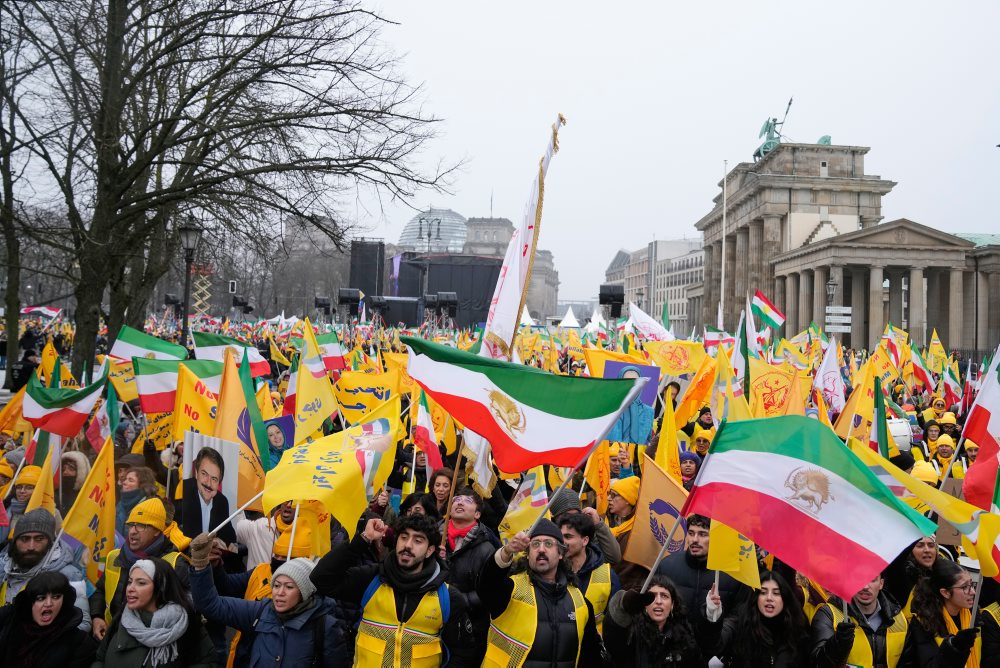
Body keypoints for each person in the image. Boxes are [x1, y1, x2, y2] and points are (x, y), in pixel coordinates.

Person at [310, 513, 466, 666]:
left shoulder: (447, 597)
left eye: (418, 541)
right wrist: (363, 539)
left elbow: (462, 653)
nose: (408, 545)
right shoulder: (372, 579)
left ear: (430, 550)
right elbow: (321, 579)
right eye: (403, 538)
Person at [188, 535, 348, 667]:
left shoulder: (324, 626)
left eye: (289, 587)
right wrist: (200, 565)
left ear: (304, 591)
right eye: (276, 585)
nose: (280, 593)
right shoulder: (260, 611)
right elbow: (210, 605)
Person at [477, 519, 605, 668]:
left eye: (549, 544)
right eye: (535, 544)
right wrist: (506, 552)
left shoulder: (580, 603)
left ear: (561, 554)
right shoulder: (510, 590)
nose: (541, 549)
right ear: (527, 554)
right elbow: (486, 584)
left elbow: (591, 657)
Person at [89, 498, 190, 637]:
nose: (133, 531)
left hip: (152, 643)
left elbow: (186, 611)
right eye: (131, 525)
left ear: (157, 530)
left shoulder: (175, 564)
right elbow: (101, 591)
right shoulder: (114, 556)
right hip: (111, 636)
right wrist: (97, 616)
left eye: (141, 525)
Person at [92, 557, 214, 667]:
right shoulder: (121, 618)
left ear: (160, 587)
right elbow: (99, 659)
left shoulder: (185, 623)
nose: (130, 588)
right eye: (130, 582)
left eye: (141, 583)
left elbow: (207, 662)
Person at [655, 514, 750, 650]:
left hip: (713, 650)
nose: (694, 539)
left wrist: (719, 641)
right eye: (691, 533)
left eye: (703, 534)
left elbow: (737, 615)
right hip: (673, 649)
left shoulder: (733, 573)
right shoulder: (667, 566)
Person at [0, 508, 92, 631]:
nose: (31, 546)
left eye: (39, 539)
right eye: (25, 539)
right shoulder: (3, 567)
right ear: (15, 541)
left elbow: (82, 624)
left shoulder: (68, 574)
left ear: (50, 542)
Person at [442, 487, 501, 667]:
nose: (459, 502)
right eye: (456, 499)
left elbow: (490, 591)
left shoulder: (487, 549)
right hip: (432, 623)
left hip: (469, 630)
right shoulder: (433, 538)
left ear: (477, 514)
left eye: (467, 501)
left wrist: (460, 602)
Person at [810, 571, 909, 668]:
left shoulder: (898, 618)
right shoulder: (830, 614)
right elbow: (818, 663)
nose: (865, 587)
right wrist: (838, 643)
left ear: (881, 583)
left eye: (872, 579)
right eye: (858, 579)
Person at [0, 571, 98, 667]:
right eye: (41, 598)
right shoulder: (8, 623)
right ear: (29, 602)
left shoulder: (79, 643)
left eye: (56, 597)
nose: (48, 604)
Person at [603, 575, 705, 667]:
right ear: (644, 604)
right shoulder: (631, 633)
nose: (658, 601)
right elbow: (612, 636)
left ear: (673, 604)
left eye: (664, 596)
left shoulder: (684, 637)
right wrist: (622, 605)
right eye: (653, 596)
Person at [715, 570, 809, 667]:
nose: (769, 598)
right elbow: (715, 643)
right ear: (756, 597)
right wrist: (712, 615)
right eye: (763, 592)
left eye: (776, 593)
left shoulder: (797, 632)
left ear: (784, 598)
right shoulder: (741, 623)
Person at [904, 558, 981, 666]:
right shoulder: (923, 623)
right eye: (964, 587)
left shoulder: (974, 614)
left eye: (971, 584)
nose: (972, 592)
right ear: (945, 593)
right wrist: (955, 647)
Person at [558, 511, 621, 634]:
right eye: (560, 537)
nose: (562, 542)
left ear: (585, 540)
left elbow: (616, 622)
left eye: (568, 537)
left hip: (593, 647)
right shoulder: (552, 570)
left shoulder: (608, 576)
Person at [178, 447, 236, 548]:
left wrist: (226, 544)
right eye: (204, 474)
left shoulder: (221, 501)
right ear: (196, 473)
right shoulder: (183, 494)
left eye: (214, 479)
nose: (208, 483)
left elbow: (229, 537)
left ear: (219, 483)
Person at [548, 487, 622, 565]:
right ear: (554, 517)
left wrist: (599, 524)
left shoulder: (583, 531)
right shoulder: (546, 535)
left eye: (575, 515)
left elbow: (614, 558)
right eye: (566, 516)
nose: (570, 520)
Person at [608, 475, 647, 591]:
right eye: (609, 494)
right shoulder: (609, 519)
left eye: (614, 495)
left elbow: (625, 568)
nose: (609, 498)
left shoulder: (636, 533)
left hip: (626, 590)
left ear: (627, 500)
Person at [885, 536, 939, 619]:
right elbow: (897, 561)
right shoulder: (902, 575)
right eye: (920, 545)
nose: (927, 550)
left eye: (931, 545)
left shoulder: (942, 576)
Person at [115, 466, 156, 537]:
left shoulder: (149, 508)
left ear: (142, 485)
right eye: (125, 479)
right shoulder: (119, 504)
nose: (124, 482)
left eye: (130, 480)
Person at [4, 463, 41, 540]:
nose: (22, 491)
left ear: (37, 490)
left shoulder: (49, 510)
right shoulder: (5, 508)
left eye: (29, 488)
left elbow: (66, 539)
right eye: (19, 487)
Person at [58, 450, 91, 516]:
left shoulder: (88, 496)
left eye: (71, 469)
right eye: (63, 469)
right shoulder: (57, 493)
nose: (65, 472)